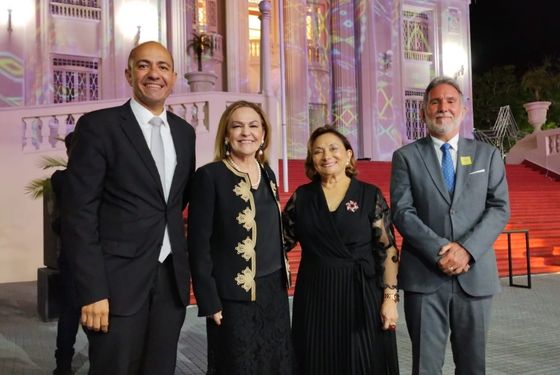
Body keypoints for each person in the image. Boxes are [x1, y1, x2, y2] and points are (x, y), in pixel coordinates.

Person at [61, 41, 196, 375]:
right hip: (115, 284)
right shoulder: (98, 127)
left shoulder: (185, 133)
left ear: (174, 76)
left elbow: (177, 202)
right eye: (144, 65)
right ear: (129, 74)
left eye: (163, 67)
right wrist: (92, 291)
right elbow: (79, 215)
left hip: (170, 284)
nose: (154, 74)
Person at [390, 76, 510, 374]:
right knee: (426, 366)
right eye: (435, 102)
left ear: (463, 110)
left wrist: (466, 250)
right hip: (424, 275)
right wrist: (441, 250)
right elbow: (403, 211)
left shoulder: (488, 155)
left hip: (475, 275)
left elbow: (499, 208)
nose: (443, 107)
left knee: (473, 365)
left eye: (450, 101)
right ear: (424, 111)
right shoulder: (406, 157)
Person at [282, 125, 400, 375]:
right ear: (312, 160)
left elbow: (387, 250)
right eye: (318, 151)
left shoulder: (369, 195)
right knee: (316, 360)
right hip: (315, 297)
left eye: (334, 148)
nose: (326, 156)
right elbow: (279, 242)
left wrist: (390, 299)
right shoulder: (302, 197)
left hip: (362, 294)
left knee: (363, 362)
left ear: (349, 155)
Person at [187, 100, 294, 375]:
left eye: (253, 126)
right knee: (238, 365)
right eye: (237, 126)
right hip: (232, 297)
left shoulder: (268, 173)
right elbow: (198, 245)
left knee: (276, 363)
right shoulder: (209, 176)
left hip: (274, 291)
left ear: (263, 134)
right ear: (226, 134)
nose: (246, 132)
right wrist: (208, 300)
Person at [51, 132, 80, 375]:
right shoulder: (62, 178)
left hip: (73, 256)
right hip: (74, 257)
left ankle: (63, 365)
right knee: (70, 313)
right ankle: (63, 365)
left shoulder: (62, 178)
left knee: (69, 313)